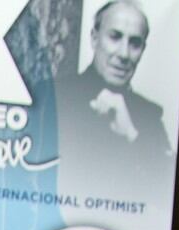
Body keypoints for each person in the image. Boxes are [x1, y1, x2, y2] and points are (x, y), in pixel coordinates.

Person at [55, 1, 172, 186]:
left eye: (135, 43)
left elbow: (168, 189)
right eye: (115, 37)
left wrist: (131, 134)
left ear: (142, 50)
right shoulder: (54, 96)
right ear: (94, 38)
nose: (124, 54)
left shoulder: (150, 116)